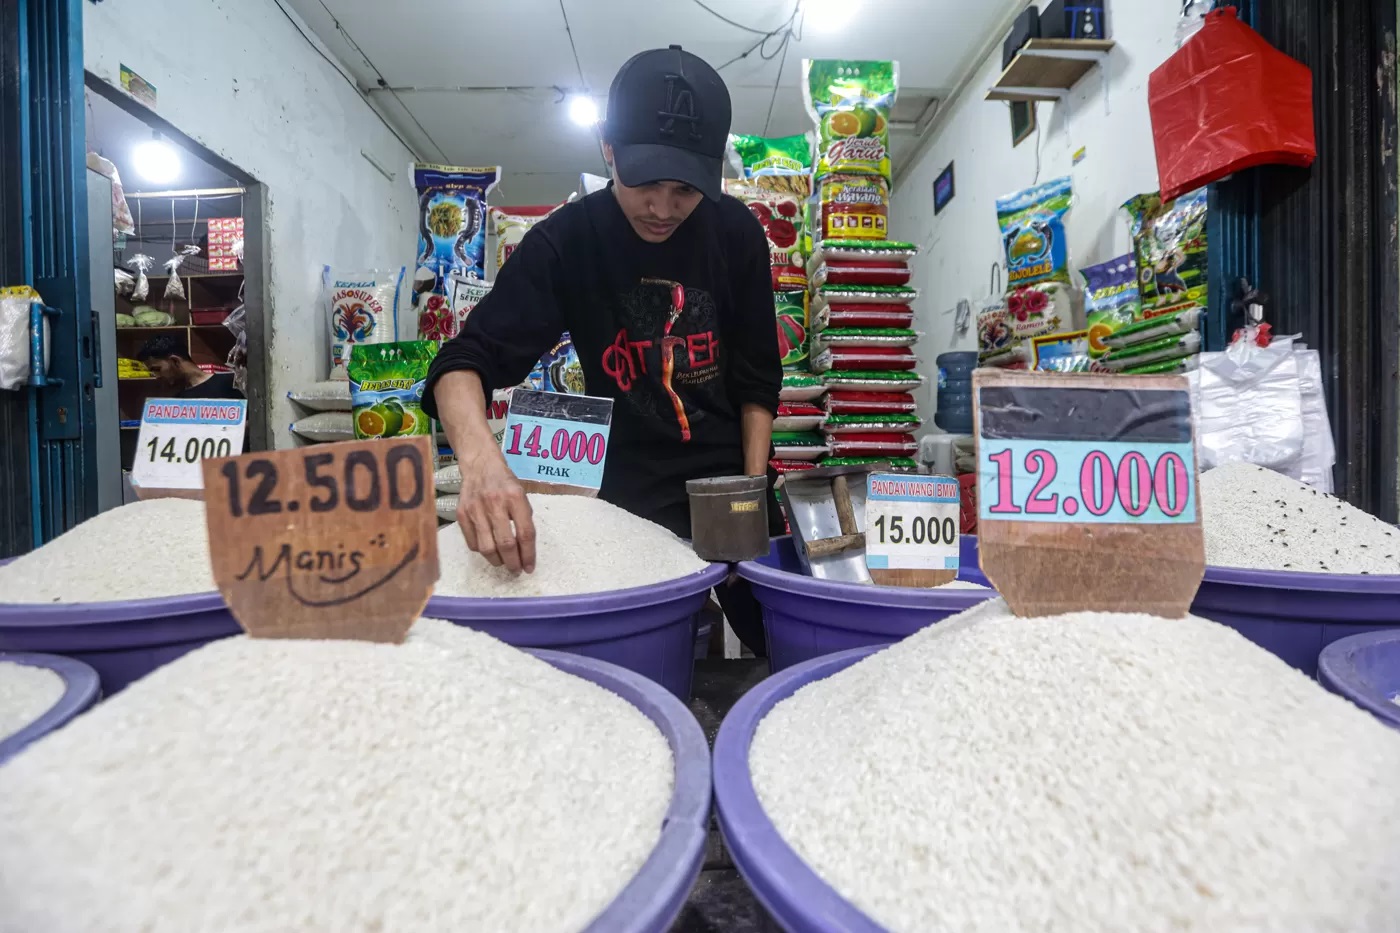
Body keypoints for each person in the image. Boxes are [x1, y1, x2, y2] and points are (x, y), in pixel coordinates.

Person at [423, 45, 783, 655]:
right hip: (625, 496)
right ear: (608, 150)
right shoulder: (566, 242)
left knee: (779, 643)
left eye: (685, 189)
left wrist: (746, 495)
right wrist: (483, 468)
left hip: (729, 483)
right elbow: (463, 362)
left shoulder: (735, 233)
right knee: (638, 656)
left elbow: (756, 380)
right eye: (645, 183)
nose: (662, 209)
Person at [137, 335, 245, 400]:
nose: (157, 376)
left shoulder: (231, 383)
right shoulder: (177, 402)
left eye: (157, 369)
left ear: (175, 361)